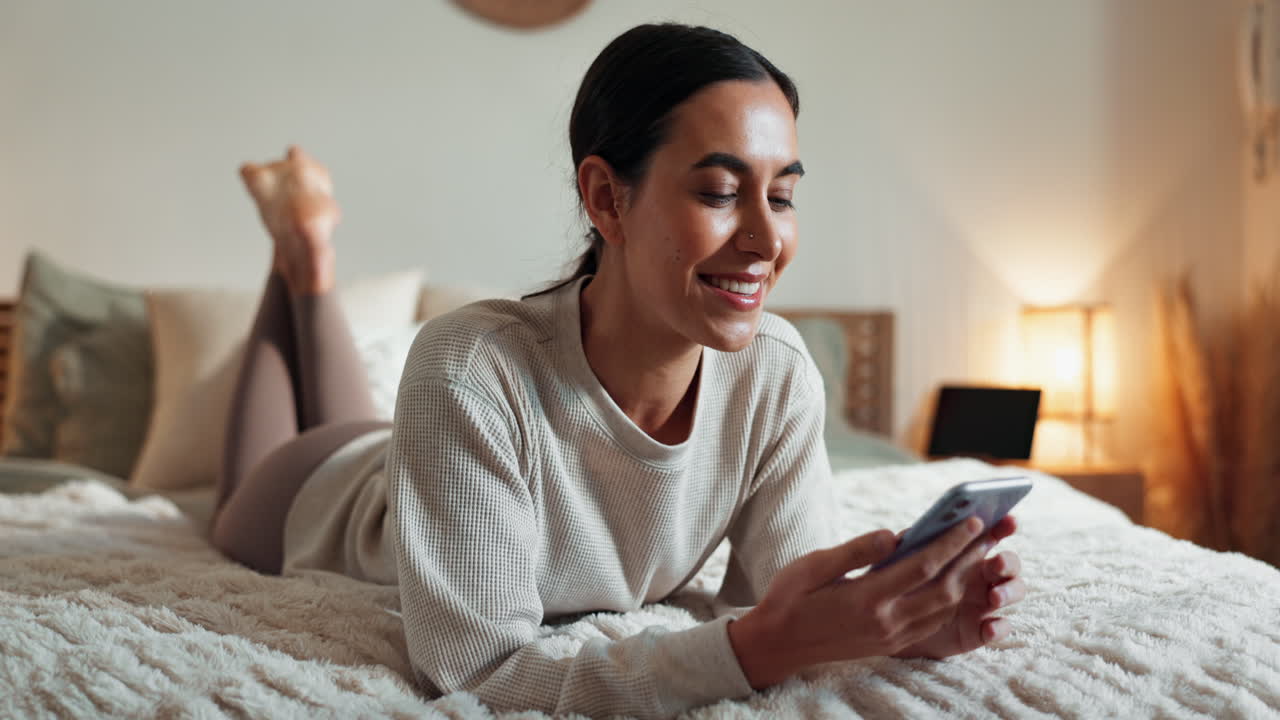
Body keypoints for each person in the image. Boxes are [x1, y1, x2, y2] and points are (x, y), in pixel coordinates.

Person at [210, 23, 1026, 719]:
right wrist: (752, 649)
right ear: (606, 199)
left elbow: (785, 608)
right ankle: (303, 252)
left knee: (353, 404)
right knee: (255, 472)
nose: (765, 240)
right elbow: (477, 672)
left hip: (410, 456)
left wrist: (906, 627)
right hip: (316, 491)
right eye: (720, 192)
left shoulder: (776, 374)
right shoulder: (467, 368)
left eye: (781, 197)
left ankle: (301, 247)